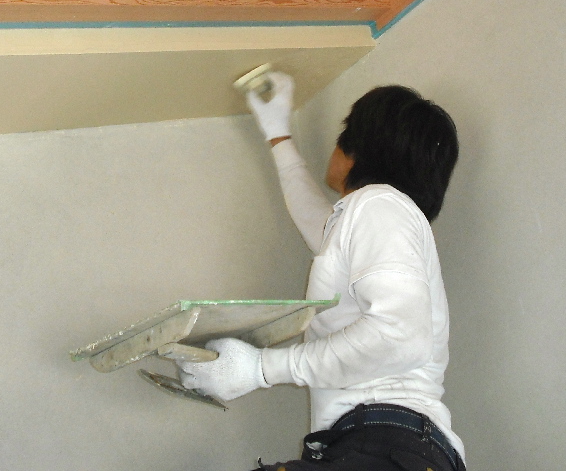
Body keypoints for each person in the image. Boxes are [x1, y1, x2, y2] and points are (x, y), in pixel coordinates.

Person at [177, 73, 466, 471]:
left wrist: (261, 369)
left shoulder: (379, 206)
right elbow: (318, 221)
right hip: (383, 447)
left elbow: (400, 336)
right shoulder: (374, 217)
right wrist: (278, 133)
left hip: (382, 444)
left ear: (357, 150)